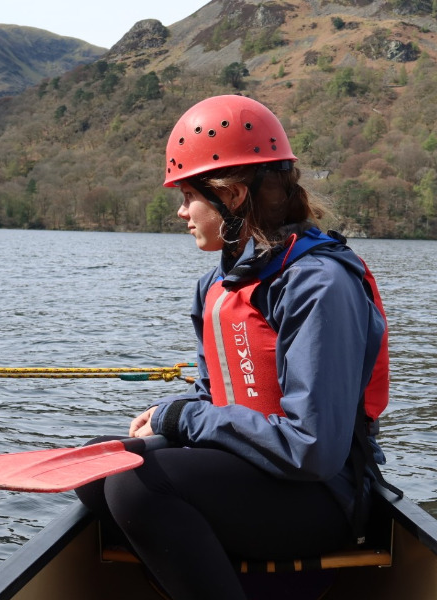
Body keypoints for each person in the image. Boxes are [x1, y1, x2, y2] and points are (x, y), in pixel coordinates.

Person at [76, 94, 393, 600]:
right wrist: (173, 414)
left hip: (318, 496)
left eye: (188, 196)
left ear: (233, 196)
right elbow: (212, 398)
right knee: (96, 466)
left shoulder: (319, 286)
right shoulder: (215, 288)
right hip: (255, 473)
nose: (181, 212)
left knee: (136, 485)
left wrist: (180, 420)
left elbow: (310, 450)